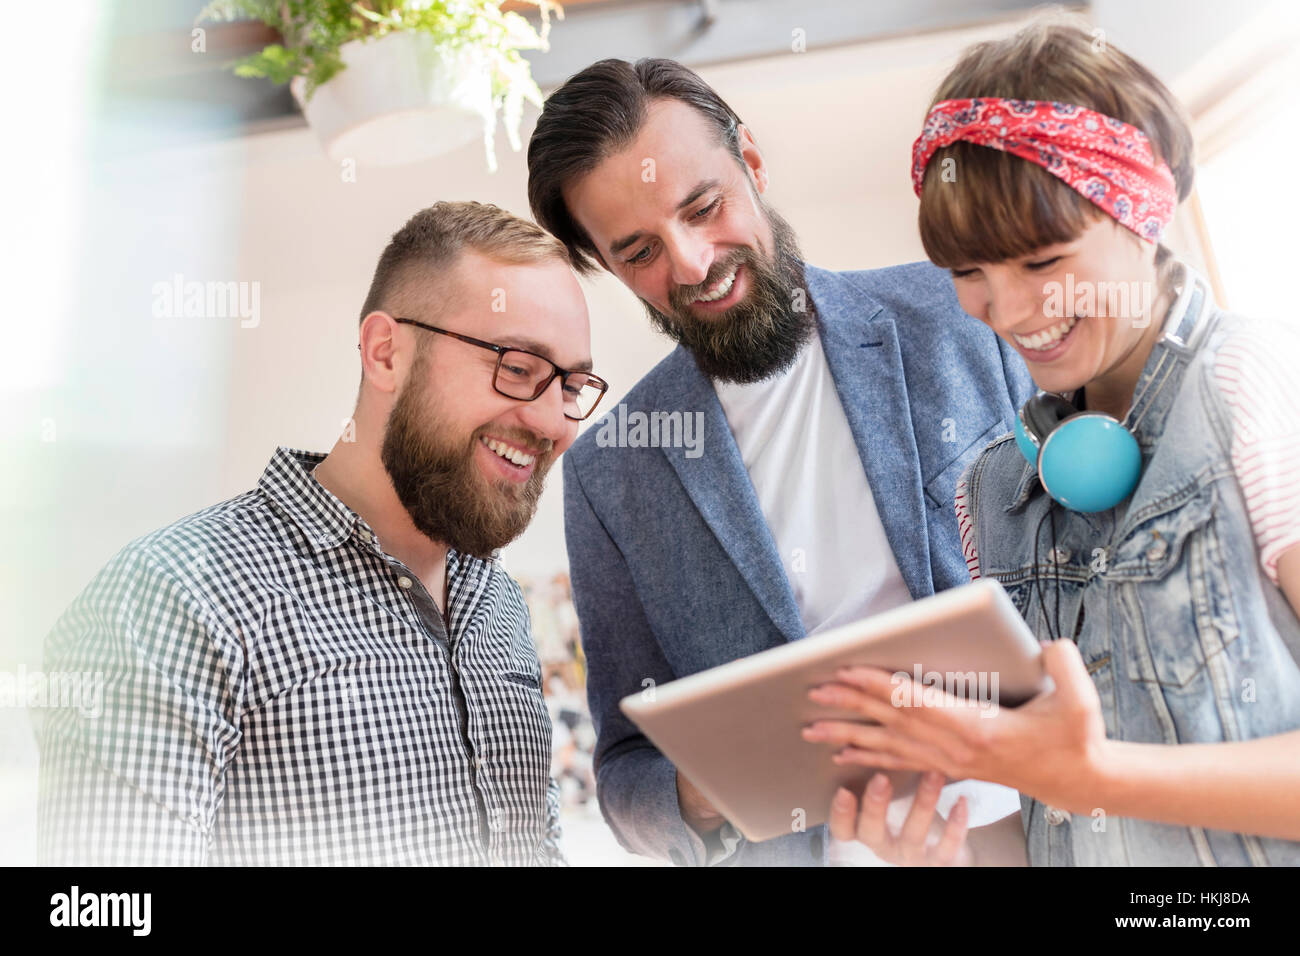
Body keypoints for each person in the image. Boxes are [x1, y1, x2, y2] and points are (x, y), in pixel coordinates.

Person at [807, 16, 1300, 866]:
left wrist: (1100, 776)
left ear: (1142, 214)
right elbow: (1042, 819)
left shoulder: (1255, 379)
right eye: (969, 273)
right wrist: (938, 843)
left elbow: (1085, 779)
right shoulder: (991, 490)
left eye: (1041, 261)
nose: (1006, 311)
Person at [526, 58, 1035, 866]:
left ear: (751, 162)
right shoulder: (609, 475)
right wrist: (708, 790)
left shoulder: (958, 313)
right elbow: (625, 778)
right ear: (605, 265)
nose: (691, 264)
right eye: (638, 251)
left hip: (1053, 827)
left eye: (704, 206)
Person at [36, 201, 608, 865]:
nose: (552, 421)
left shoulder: (498, 605)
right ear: (386, 352)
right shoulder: (170, 598)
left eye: (571, 385)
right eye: (516, 367)